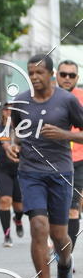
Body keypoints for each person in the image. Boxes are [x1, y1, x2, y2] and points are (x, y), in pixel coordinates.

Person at [7, 53, 83, 278]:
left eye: (39, 73)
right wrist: (11, 145)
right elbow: (14, 131)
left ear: (50, 74)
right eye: (31, 73)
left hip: (60, 172)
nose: (35, 78)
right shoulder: (20, 101)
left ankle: (64, 262)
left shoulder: (67, 101)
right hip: (30, 173)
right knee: (38, 227)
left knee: (59, 235)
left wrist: (64, 134)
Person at [55, 60, 83, 252]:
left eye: (71, 75)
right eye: (63, 74)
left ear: (77, 78)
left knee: (73, 208)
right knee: (56, 210)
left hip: (79, 161)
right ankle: (57, 243)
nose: (67, 78)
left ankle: (67, 254)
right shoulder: (46, 96)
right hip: (52, 161)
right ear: (56, 75)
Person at [0, 103, 24, 247]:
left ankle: (17, 220)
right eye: (6, 109)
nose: (9, 111)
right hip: (2, 169)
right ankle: (7, 235)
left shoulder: (24, 127)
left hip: (20, 170)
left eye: (12, 109)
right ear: (3, 112)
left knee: (20, 207)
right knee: (5, 200)